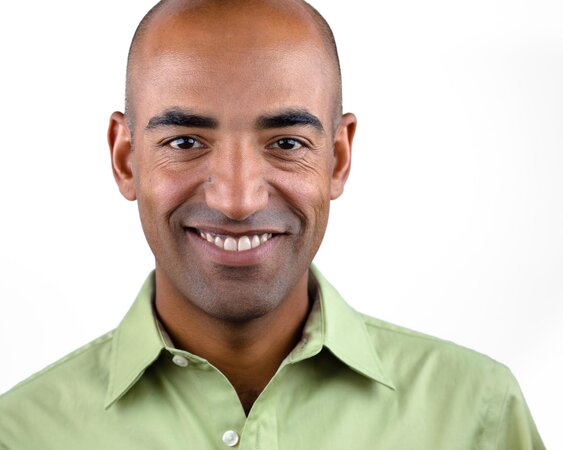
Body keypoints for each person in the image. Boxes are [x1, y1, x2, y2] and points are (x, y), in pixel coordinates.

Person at [0, 0, 545, 448]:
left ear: (338, 158)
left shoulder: (477, 416)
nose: (238, 200)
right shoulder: (20, 434)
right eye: (185, 142)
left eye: (286, 143)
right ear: (125, 160)